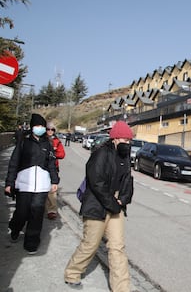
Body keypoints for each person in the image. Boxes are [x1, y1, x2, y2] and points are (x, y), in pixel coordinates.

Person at [64, 120, 134, 291]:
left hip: (116, 204)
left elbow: (128, 182)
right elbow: (96, 183)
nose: (128, 144)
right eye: (125, 140)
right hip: (97, 204)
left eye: (129, 140)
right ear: (115, 139)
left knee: (117, 247)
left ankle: (122, 287)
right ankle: (72, 273)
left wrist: (122, 200)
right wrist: (113, 203)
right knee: (91, 244)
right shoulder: (101, 154)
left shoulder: (124, 157)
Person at [4, 113, 59, 254]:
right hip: (24, 184)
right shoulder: (24, 142)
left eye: (42, 126)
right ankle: (15, 227)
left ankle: (32, 242)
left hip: (41, 185)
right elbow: (14, 163)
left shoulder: (48, 144)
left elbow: (52, 164)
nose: (40, 128)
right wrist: (10, 183)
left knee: (37, 213)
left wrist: (54, 181)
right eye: (37, 125)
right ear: (32, 126)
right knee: (22, 212)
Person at [45, 122, 65, 220]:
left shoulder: (57, 141)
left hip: (53, 167)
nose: (50, 131)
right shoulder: (41, 139)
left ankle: (51, 210)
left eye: (52, 129)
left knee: (52, 190)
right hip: (42, 167)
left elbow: (62, 154)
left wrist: (53, 153)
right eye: (48, 129)